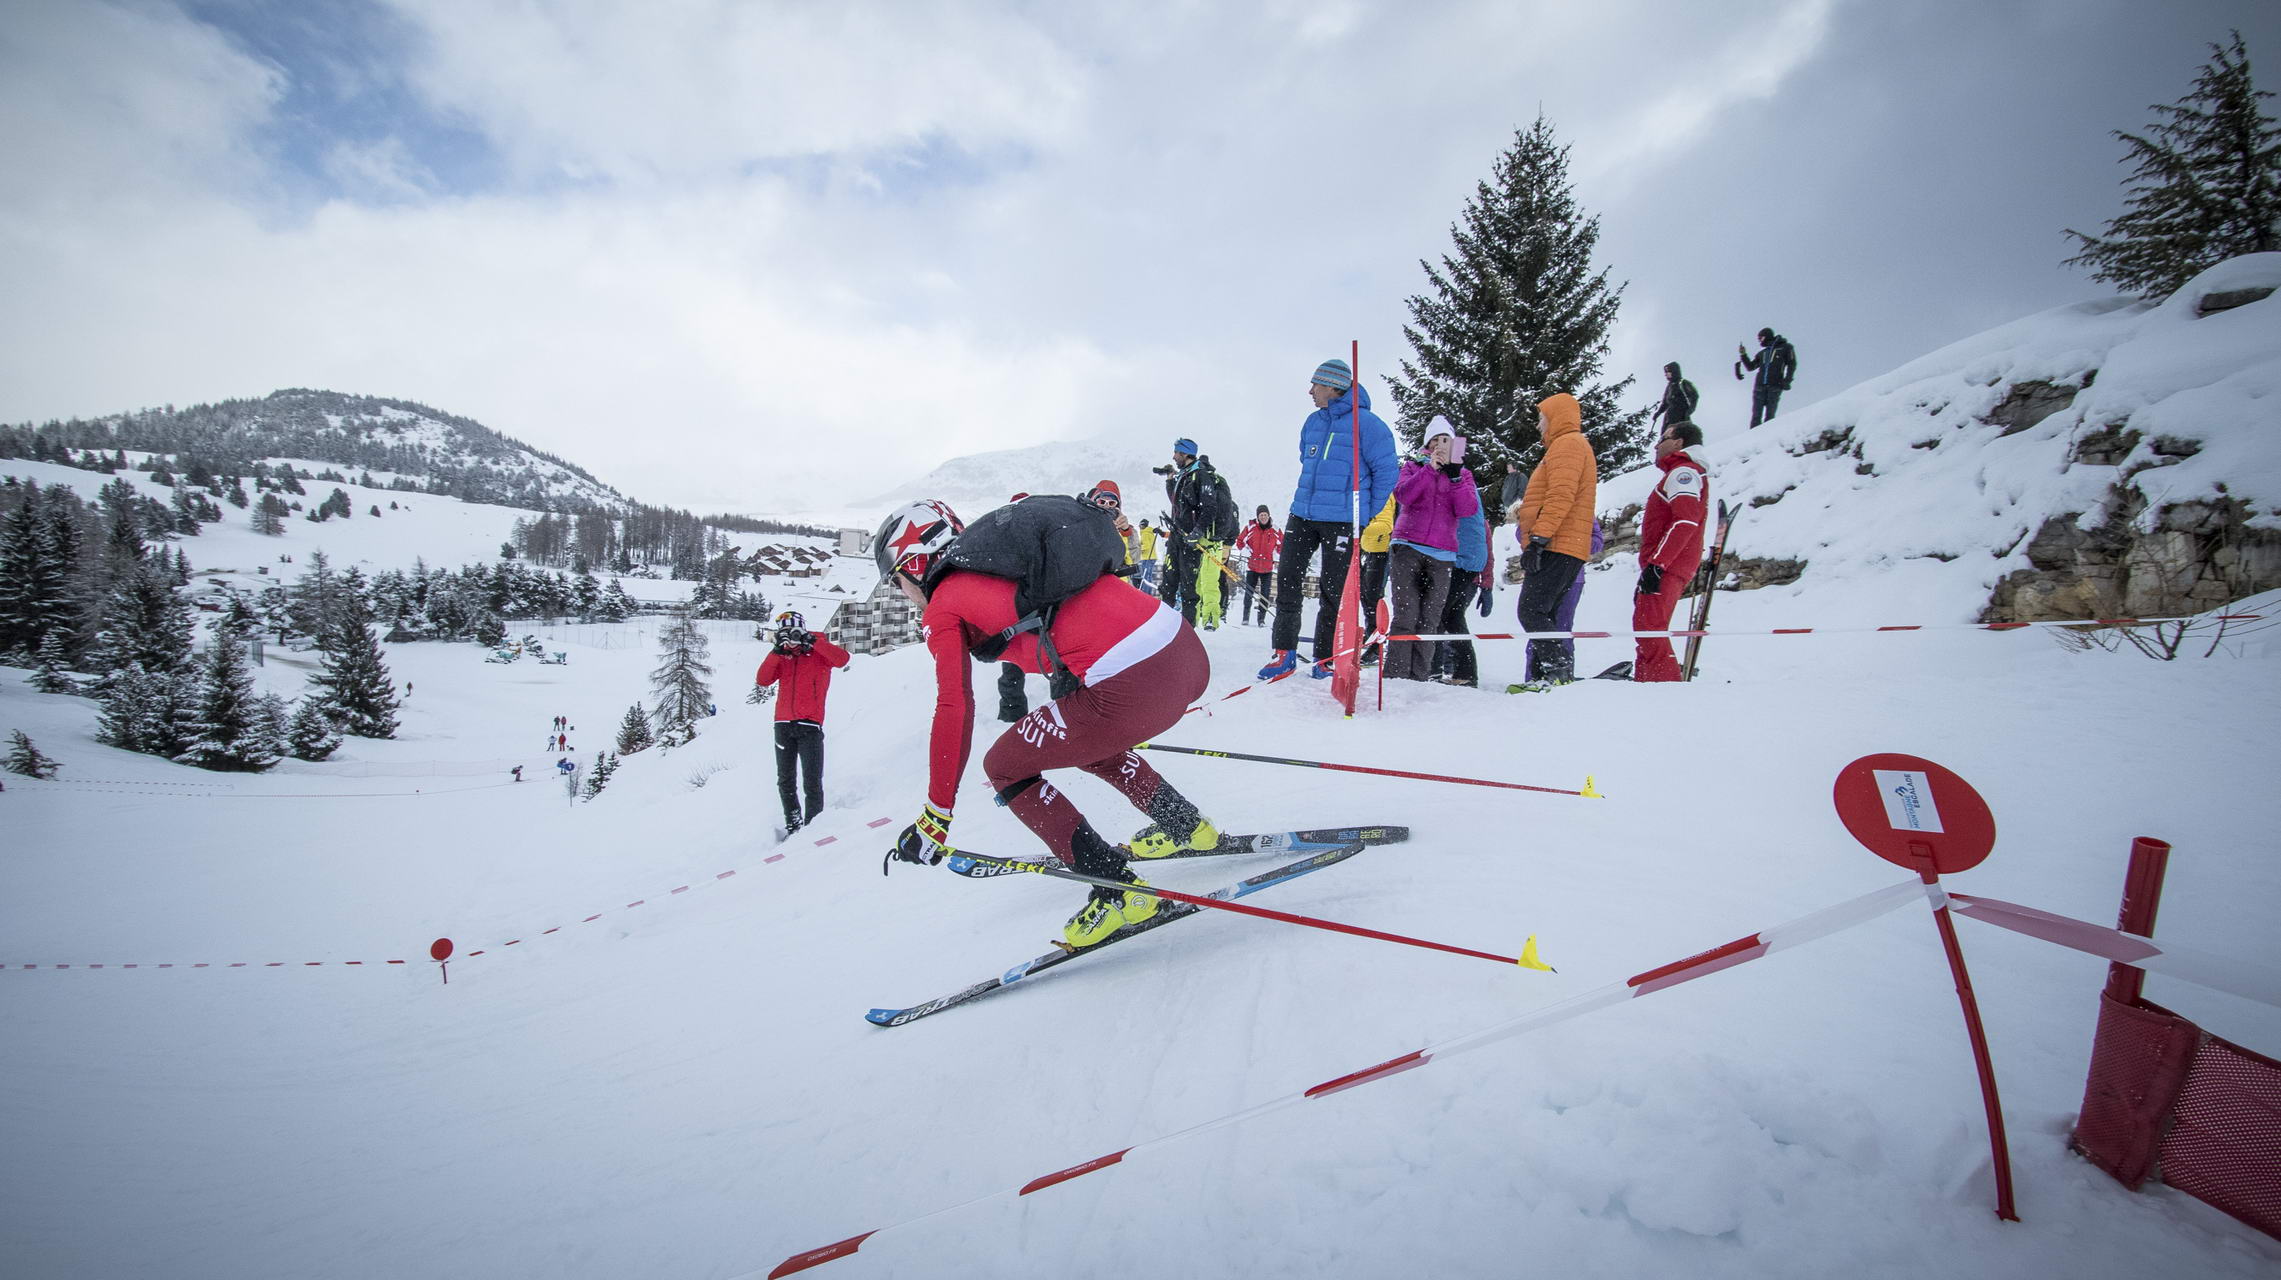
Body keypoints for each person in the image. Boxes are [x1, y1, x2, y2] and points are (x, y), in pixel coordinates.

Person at [873, 497, 1223, 949]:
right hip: (1185, 652)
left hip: (1137, 682)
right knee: (1082, 740)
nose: (902, 593)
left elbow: (953, 706)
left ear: (914, 564)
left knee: (1003, 765)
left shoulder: (944, 604)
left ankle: (1119, 893)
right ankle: (1187, 826)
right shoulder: (1008, 564)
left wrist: (936, 815)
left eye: (897, 581)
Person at [1262, 357, 1398, 679]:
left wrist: (1365, 513)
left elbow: (1387, 473)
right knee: (1288, 581)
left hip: (1342, 519)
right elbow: (1305, 459)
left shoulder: (1369, 425)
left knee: (1333, 590)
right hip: (1303, 514)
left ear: (1333, 386)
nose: (1310, 391)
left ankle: (1325, 659)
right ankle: (1284, 653)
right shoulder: (1313, 422)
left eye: (1316, 385)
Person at [1507, 392, 1599, 685]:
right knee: (1544, 612)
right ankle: (1545, 677)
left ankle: (1557, 672)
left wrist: (1539, 539)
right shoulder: (1567, 446)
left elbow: (1561, 495)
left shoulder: (1568, 445)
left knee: (1531, 610)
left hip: (1559, 544)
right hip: (1565, 544)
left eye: (1542, 419)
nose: (1538, 426)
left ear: (1555, 417)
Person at [1384, 418, 1479, 681]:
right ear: (1427, 444)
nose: (1440, 446)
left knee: (1430, 619)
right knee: (1406, 613)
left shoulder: (1463, 474)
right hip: (1407, 546)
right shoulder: (1413, 467)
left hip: (1443, 553)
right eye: (1435, 441)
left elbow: (1467, 509)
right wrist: (1429, 470)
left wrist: (1455, 477)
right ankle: (1395, 676)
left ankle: (1419, 677)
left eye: (1445, 441)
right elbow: (1403, 495)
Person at [754, 608, 851, 834]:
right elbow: (763, 680)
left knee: (812, 780)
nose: (792, 637)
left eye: (794, 631)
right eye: (786, 632)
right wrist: (777, 651)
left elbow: (842, 659)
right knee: (785, 779)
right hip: (783, 724)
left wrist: (812, 642)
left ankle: (814, 825)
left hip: (810, 725)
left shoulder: (818, 653)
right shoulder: (783, 656)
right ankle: (793, 822)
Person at [1632, 422, 1709, 682]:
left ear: (1678, 442)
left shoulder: (1683, 472)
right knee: (1646, 625)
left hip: (1667, 564)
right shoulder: (1680, 472)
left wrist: (1658, 563)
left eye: (1663, 438)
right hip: (1667, 563)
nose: (1657, 445)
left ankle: (1663, 685)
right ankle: (1647, 681)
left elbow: (1685, 521)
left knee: (1649, 627)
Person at [1159, 439, 1234, 625]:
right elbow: (1177, 504)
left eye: (1176, 452)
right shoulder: (1184, 475)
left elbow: (1210, 508)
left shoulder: (1200, 475)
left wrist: (1197, 533)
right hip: (1177, 536)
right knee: (1168, 583)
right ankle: (1162, 626)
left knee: (1188, 587)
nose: (1174, 456)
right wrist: (1170, 480)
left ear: (1185, 454)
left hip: (1190, 540)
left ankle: (1187, 628)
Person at [1432, 498, 1492, 686]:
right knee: (1453, 618)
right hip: (1467, 573)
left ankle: (1433, 670)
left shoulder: (1469, 519)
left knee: (1439, 617)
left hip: (1458, 570)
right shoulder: (1478, 520)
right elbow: (1486, 553)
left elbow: (1487, 552)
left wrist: (1486, 585)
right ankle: (1465, 672)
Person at [1736, 329, 1797, 428]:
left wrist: (1787, 380)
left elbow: (1792, 364)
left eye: (1761, 338)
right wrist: (1743, 355)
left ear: (1767, 336)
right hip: (1759, 386)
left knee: (1770, 415)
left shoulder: (1786, 348)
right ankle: (1752, 438)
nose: (1759, 340)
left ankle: (1767, 437)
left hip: (1775, 385)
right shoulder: (1762, 353)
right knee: (1756, 415)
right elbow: (1750, 367)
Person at [1235, 507, 1281, 626]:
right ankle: (1245, 618)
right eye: (1261, 515)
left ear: (1269, 515)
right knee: (1249, 593)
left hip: (1267, 568)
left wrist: (1275, 556)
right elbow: (1239, 541)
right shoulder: (1250, 527)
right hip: (1252, 567)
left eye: (1265, 514)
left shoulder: (1275, 530)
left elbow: (1282, 545)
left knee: (1265, 595)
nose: (1263, 517)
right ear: (1257, 517)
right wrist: (1246, 552)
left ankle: (1261, 620)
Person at [1653, 362, 1699, 431]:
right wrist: (1658, 413)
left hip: (1681, 414)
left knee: (1679, 433)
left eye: (1667, 372)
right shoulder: (1669, 386)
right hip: (1669, 416)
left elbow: (1694, 396)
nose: (1665, 374)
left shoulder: (1683, 383)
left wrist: (1689, 410)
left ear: (1673, 371)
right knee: (1666, 434)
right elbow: (1665, 402)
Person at [1135, 519, 1160, 591]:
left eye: (1140, 525)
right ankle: (1147, 592)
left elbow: (1146, 546)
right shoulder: (1149, 532)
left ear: (1142, 525)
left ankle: (1146, 593)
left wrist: (1138, 548)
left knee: (1146, 577)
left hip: (1148, 558)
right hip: (1150, 557)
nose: (1139, 527)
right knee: (1148, 576)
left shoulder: (1145, 533)